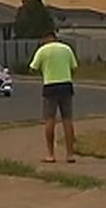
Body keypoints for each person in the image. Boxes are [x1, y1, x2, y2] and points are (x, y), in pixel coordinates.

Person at [29, 29, 79, 163]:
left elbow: (33, 68)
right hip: (66, 85)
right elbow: (74, 67)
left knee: (50, 120)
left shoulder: (43, 51)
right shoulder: (66, 49)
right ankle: (70, 154)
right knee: (67, 120)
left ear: (45, 39)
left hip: (50, 86)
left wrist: (44, 70)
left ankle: (51, 154)